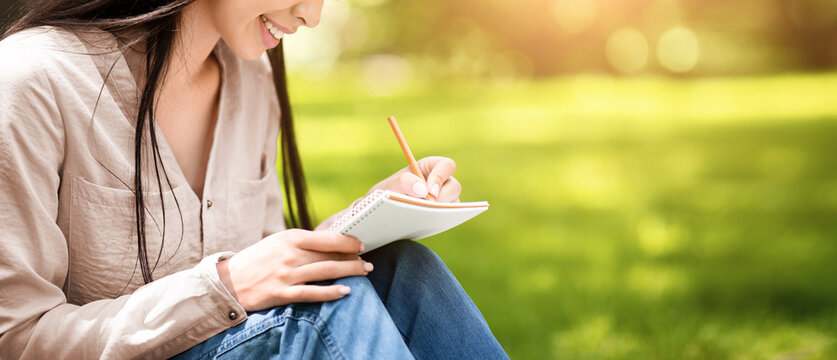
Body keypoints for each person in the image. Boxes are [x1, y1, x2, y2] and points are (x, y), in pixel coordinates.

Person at [0, 0, 508, 358]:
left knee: (402, 269)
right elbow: (15, 341)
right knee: (318, 318)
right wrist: (221, 287)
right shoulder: (33, 80)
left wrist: (362, 221)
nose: (312, 14)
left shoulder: (250, 81)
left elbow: (264, 276)